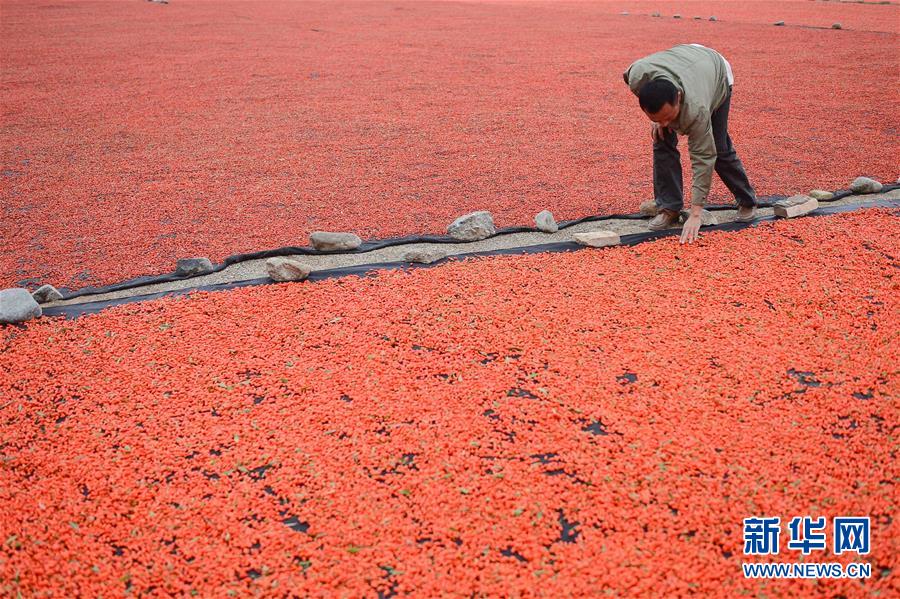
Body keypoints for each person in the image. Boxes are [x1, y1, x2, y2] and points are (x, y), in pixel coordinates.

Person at [623, 44, 758, 243]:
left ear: (678, 98)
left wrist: (696, 214)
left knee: (718, 146)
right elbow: (640, 87)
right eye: (658, 117)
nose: (666, 123)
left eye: (669, 116)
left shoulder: (697, 109)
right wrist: (658, 119)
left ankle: (747, 200)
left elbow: (703, 158)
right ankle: (669, 207)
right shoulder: (637, 75)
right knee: (661, 137)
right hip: (686, 58)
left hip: (716, 71)